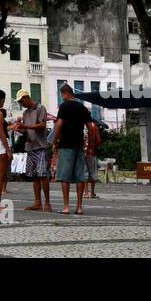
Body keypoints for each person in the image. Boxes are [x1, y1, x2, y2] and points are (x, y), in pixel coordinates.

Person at [51, 83, 97, 215]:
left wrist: (55, 141)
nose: (62, 98)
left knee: (64, 177)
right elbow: (91, 127)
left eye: (62, 95)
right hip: (79, 145)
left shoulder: (64, 107)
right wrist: (90, 145)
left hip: (66, 145)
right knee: (80, 177)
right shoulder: (82, 107)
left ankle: (66, 207)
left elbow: (59, 125)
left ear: (65, 93)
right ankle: (79, 207)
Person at [17, 91, 52, 212]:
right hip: (31, 146)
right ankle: (37, 202)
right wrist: (22, 130)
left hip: (41, 146)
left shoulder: (40, 108)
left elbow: (42, 125)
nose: (21, 104)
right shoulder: (25, 113)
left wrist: (26, 127)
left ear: (27, 98)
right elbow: (28, 130)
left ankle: (47, 202)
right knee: (35, 176)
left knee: (43, 175)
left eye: (21, 101)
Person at [85, 121, 103, 199]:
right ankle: (92, 192)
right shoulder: (93, 126)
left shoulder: (78, 124)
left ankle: (85, 193)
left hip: (81, 152)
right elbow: (98, 140)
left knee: (83, 173)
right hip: (91, 152)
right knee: (93, 172)